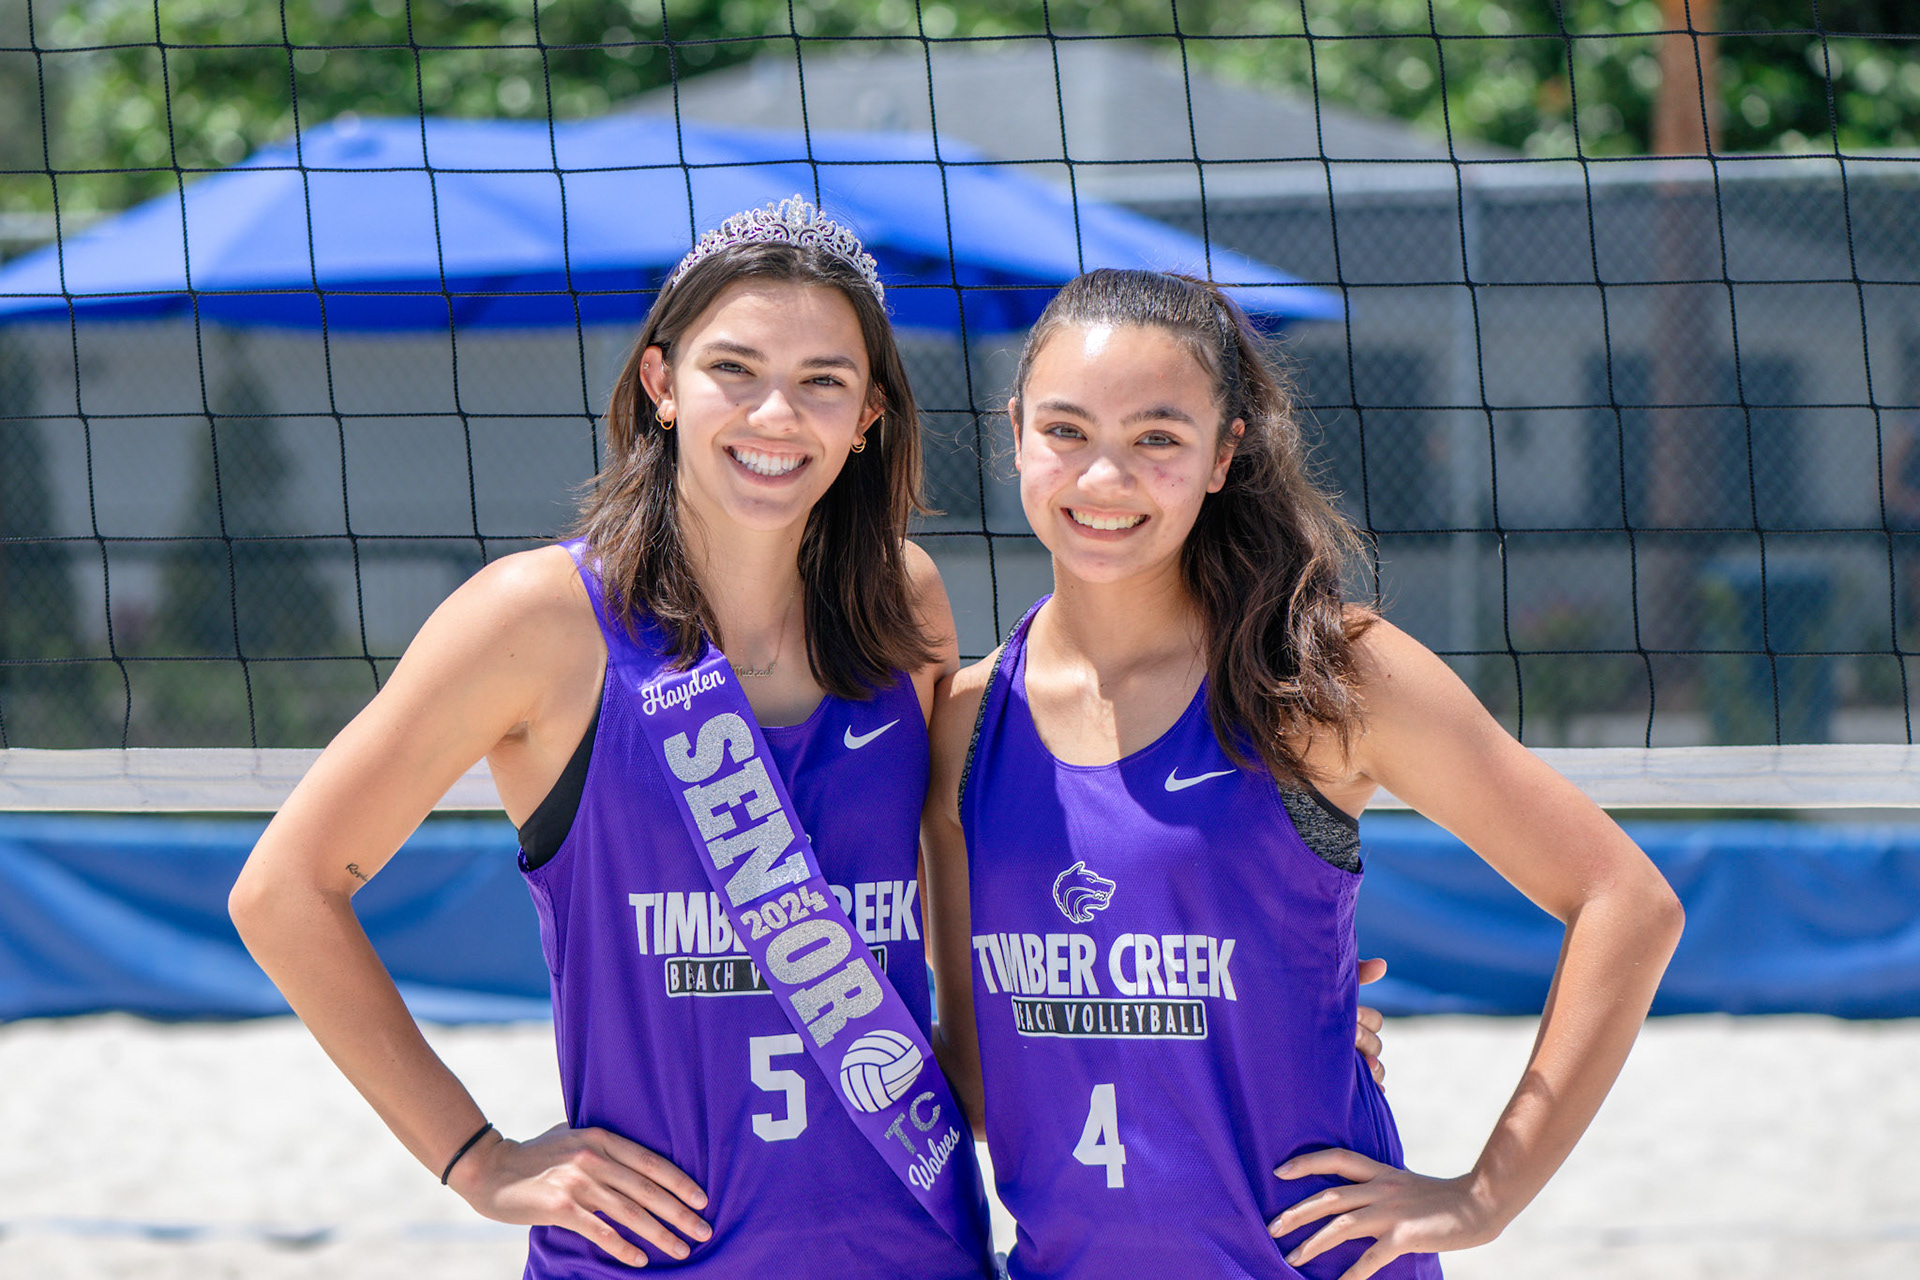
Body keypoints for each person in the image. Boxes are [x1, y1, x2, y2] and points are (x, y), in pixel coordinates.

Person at [229, 197, 990, 1277]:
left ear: (867, 414)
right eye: (735, 368)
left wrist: (976, 1064)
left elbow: (946, 852)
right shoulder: (539, 619)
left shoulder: (900, 600)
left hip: (911, 1237)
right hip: (651, 1252)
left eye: (823, 380)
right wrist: (478, 1159)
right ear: (661, 383)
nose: (777, 413)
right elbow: (282, 893)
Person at [921, 269, 1684, 1280]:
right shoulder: (969, 721)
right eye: (1066, 430)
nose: (1104, 476)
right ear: (1016, 432)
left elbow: (1626, 899)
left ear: (1223, 454)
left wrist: (1485, 1195)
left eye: (1157, 437)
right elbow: (980, 1082)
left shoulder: (1318, 676)